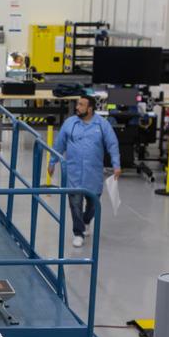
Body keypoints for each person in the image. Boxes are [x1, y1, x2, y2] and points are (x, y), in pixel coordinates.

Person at [49, 93, 120, 247]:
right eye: (78, 104)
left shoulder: (102, 125)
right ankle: (78, 233)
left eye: (81, 105)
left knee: (93, 205)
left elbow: (112, 144)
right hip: (73, 173)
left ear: (90, 109)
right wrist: (52, 162)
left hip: (93, 174)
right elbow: (59, 144)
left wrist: (116, 165)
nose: (77, 107)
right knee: (75, 204)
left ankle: (86, 221)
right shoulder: (70, 123)